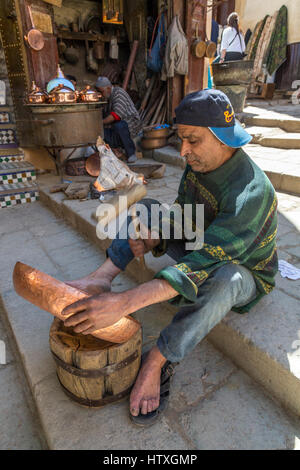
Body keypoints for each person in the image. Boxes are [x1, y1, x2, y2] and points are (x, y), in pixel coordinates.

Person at [62, 89, 278, 427]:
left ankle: (158, 360)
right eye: (182, 140)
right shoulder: (200, 163)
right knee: (147, 209)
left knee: (225, 280)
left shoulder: (252, 192)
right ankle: (101, 276)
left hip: (245, 269)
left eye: (192, 140)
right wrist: (155, 235)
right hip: (203, 243)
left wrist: (125, 304)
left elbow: (202, 264)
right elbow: (182, 215)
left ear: (223, 138)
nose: (183, 151)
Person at [95, 76, 142, 163]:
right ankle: (117, 150)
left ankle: (131, 153)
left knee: (119, 125)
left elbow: (116, 115)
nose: (100, 94)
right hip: (116, 127)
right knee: (101, 133)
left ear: (108, 88)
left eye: (101, 92)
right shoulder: (107, 97)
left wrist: (100, 123)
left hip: (130, 124)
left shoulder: (118, 93)